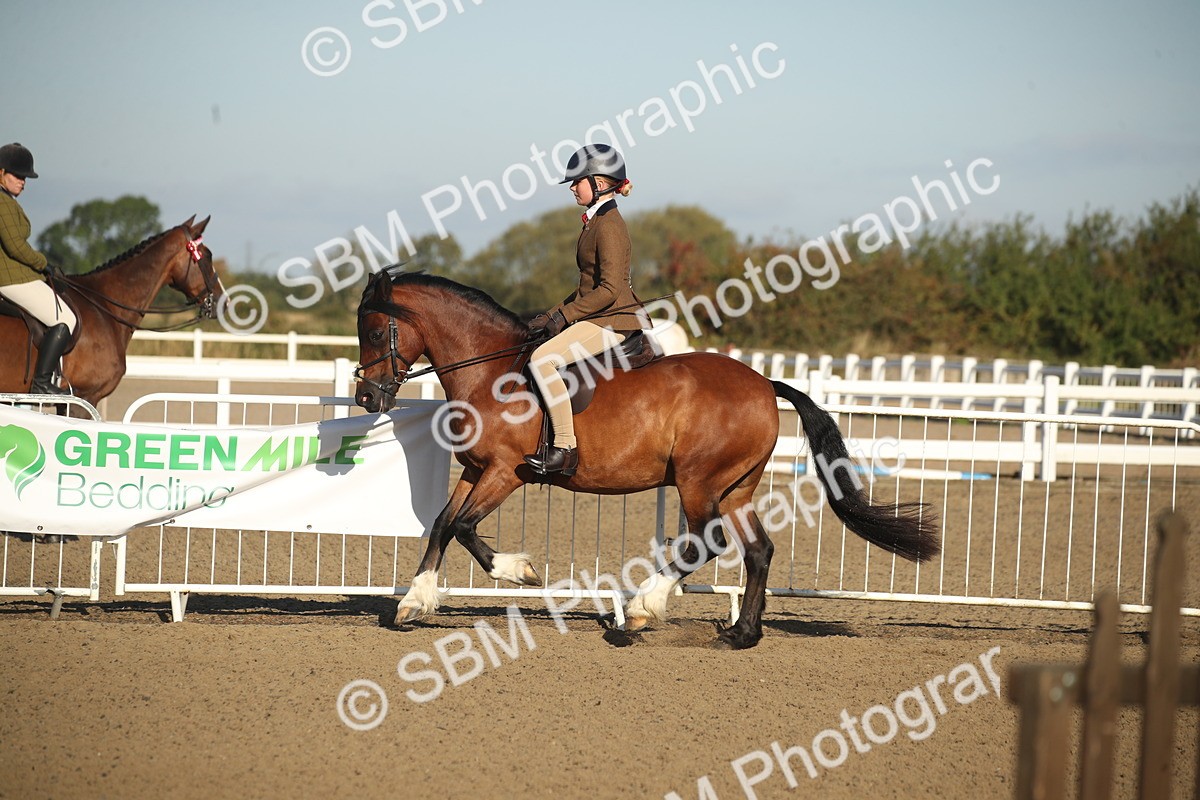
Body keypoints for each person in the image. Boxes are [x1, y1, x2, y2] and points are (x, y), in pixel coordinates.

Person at [523, 143, 644, 476]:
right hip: (599, 314)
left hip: (612, 321)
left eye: (578, 181)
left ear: (600, 184)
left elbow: (610, 290)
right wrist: (551, 314)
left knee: (543, 361)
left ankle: (564, 447)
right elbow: (585, 287)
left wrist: (565, 317)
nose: (573, 187)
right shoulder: (595, 221)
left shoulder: (610, 225)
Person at [0, 142, 76, 395]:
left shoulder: (8, 200)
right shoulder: (2, 203)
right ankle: (42, 384)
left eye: (25, 177)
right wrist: (45, 265)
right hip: (9, 278)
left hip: (16, 274)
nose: (23, 182)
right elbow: (15, 248)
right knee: (66, 318)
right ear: (1, 173)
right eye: (18, 175)